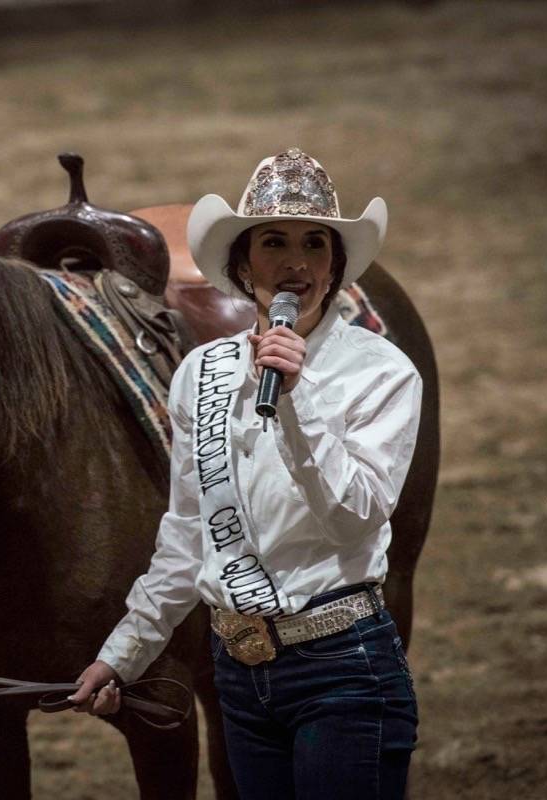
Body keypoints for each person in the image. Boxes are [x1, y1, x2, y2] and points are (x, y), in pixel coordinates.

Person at [69, 148, 422, 799]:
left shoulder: (382, 372)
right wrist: (124, 653)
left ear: (336, 265)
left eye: (316, 243)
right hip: (239, 672)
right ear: (241, 262)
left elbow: (354, 518)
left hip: (342, 667)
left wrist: (297, 401)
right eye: (275, 242)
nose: (296, 263)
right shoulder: (200, 377)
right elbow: (190, 532)